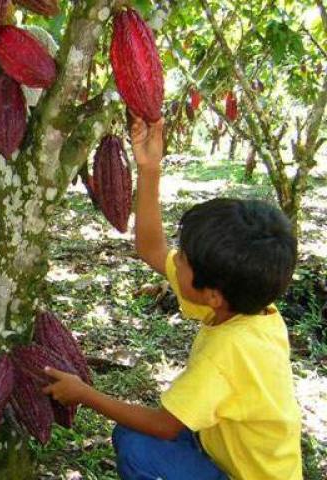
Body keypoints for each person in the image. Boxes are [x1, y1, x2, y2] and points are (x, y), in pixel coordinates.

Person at [42, 117, 303, 479]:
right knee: (135, 434)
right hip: (223, 449)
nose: (173, 259)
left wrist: (84, 393)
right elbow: (151, 248)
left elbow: (164, 425)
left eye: (182, 259)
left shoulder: (228, 353)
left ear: (212, 295)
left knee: (138, 445)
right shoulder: (249, 307)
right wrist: (150, 169)